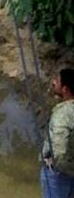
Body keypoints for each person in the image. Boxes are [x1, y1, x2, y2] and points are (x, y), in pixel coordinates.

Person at [45, 68, 74, 198]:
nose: (53, 83)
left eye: (57, 81)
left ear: (65, 89)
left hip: (59, 175)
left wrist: (53, 164)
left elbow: (60, 153)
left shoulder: (61, 115)